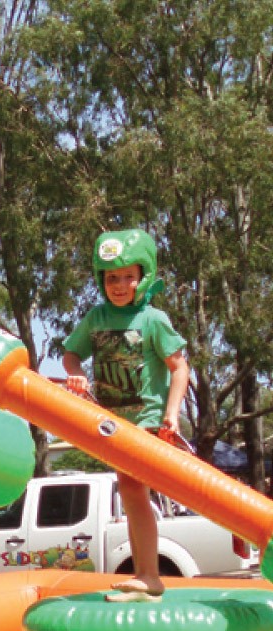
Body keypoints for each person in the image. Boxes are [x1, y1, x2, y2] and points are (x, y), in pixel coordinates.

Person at [62, 228, 189, 602]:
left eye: (127, 276)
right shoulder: (97, 318)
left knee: (134, 491)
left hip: (147, 419)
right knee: (132, 494)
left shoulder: (153, 320)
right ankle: (145, 573)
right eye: (111, 277)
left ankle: (150, 575)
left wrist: (172, 414)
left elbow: (179, 367)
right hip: (113, 424)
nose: (119, 284)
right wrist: (76, 372)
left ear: (144, 276)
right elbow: (71, 353)